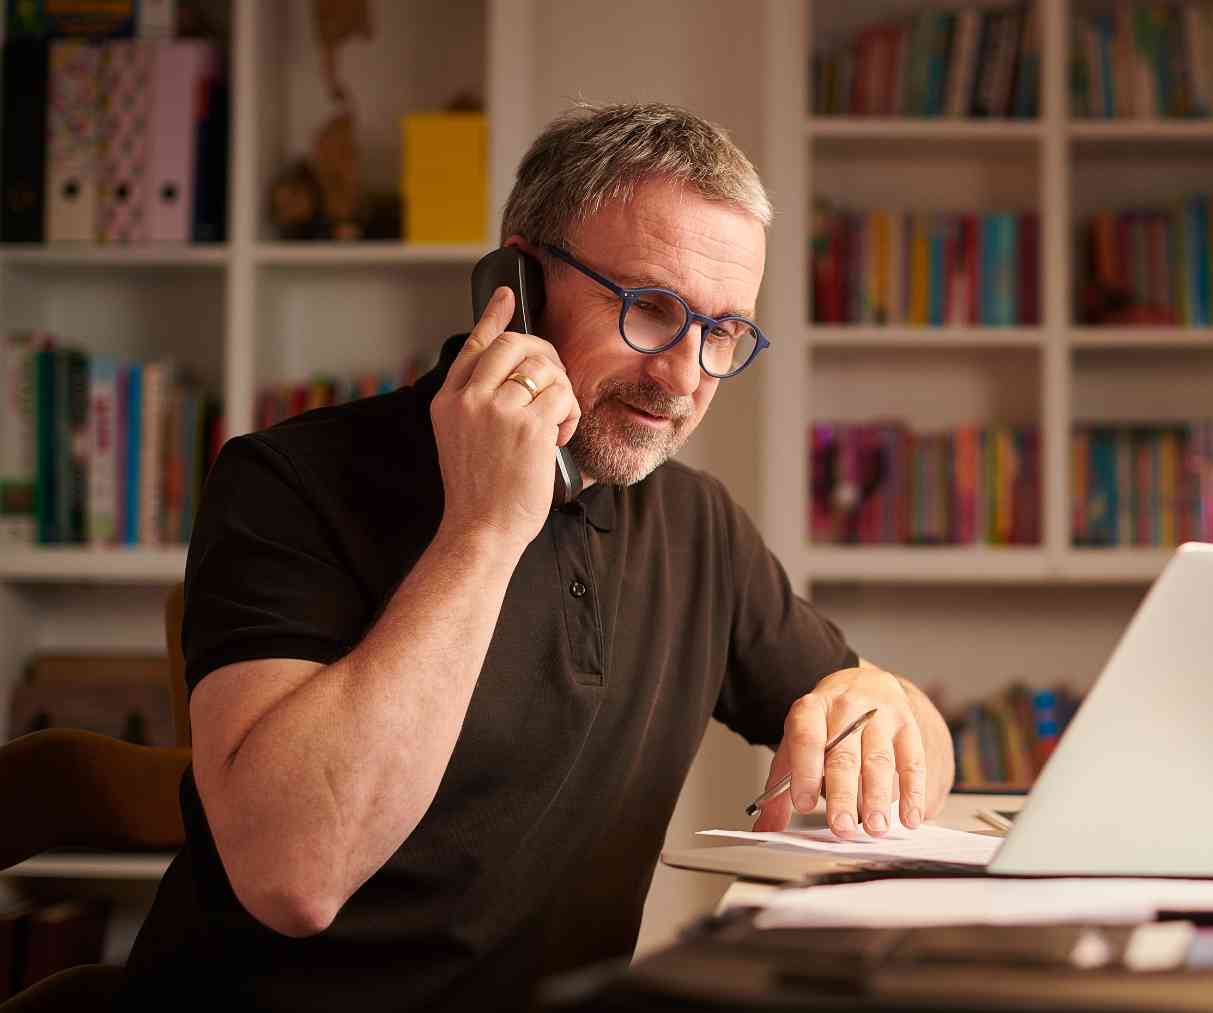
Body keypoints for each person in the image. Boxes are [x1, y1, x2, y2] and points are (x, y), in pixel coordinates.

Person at [120, 102, 955, 1010]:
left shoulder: (696, 525)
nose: (684, 377)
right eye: (650, 308)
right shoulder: (288, 481)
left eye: (722, 332)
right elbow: (291, 877)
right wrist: (482, 531)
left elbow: (915, 750)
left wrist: (886, 706)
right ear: (514, 280)